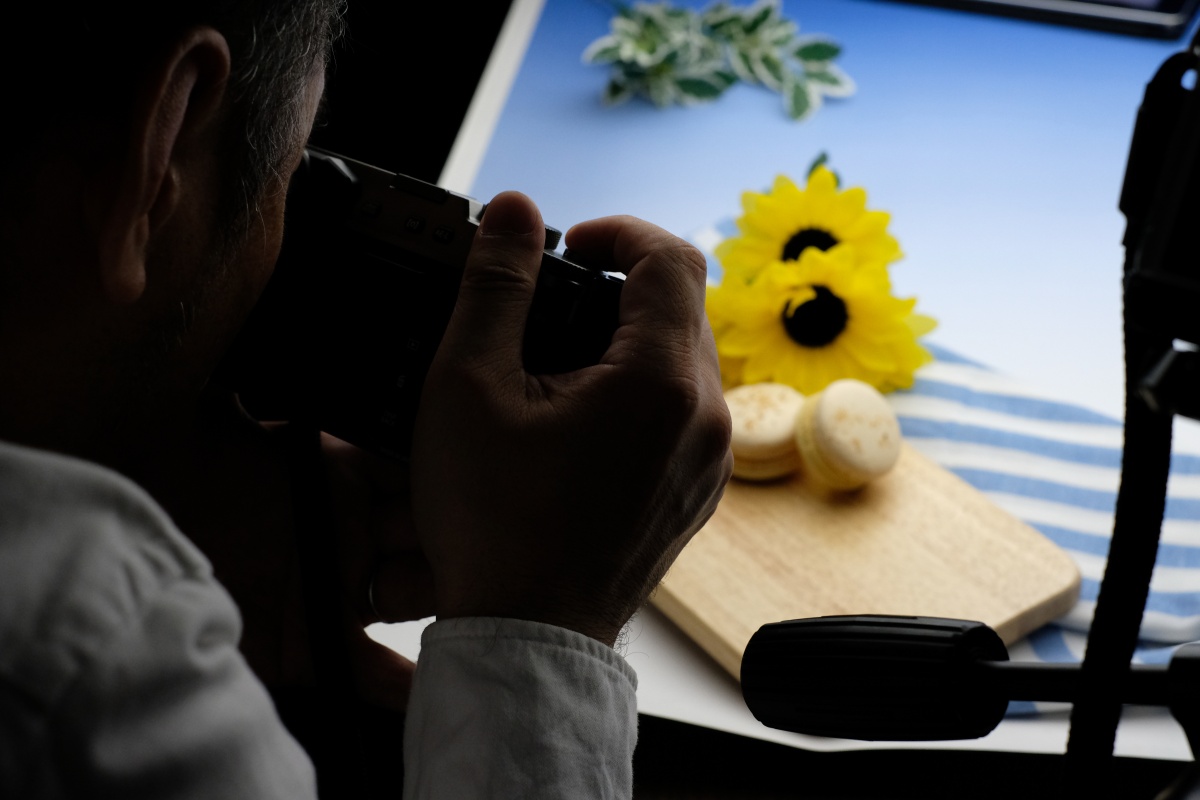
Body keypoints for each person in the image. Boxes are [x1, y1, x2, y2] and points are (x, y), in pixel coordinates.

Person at [0, 1, 733, 798]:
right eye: (288, 172)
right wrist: (544, 627)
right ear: (161, 145)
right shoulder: (88, 666)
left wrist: (133, 500)